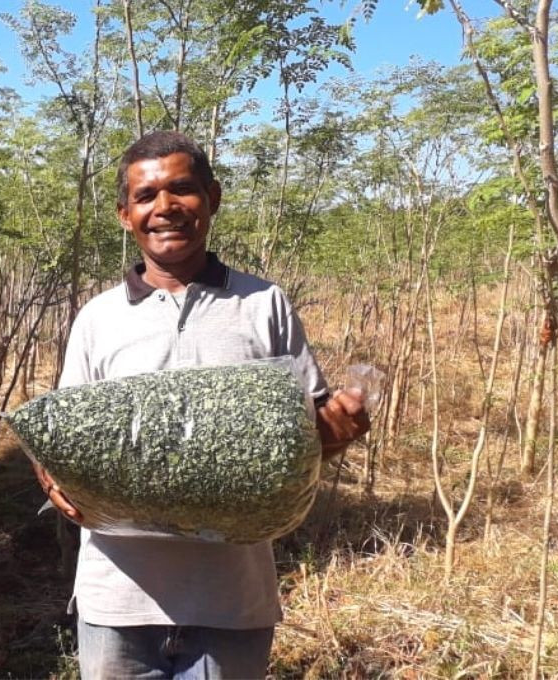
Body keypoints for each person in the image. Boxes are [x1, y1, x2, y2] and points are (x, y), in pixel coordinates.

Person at [34, 130, 369, 679]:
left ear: (212, 198)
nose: (164, 207)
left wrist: (337, 431)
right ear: (125, 214)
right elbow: (64, 436)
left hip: (232, 601)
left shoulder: (263, 304)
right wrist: (47, 471)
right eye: (145, 197)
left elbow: (303, 441)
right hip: (117, 599)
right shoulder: (99, 317)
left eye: (182, 189)